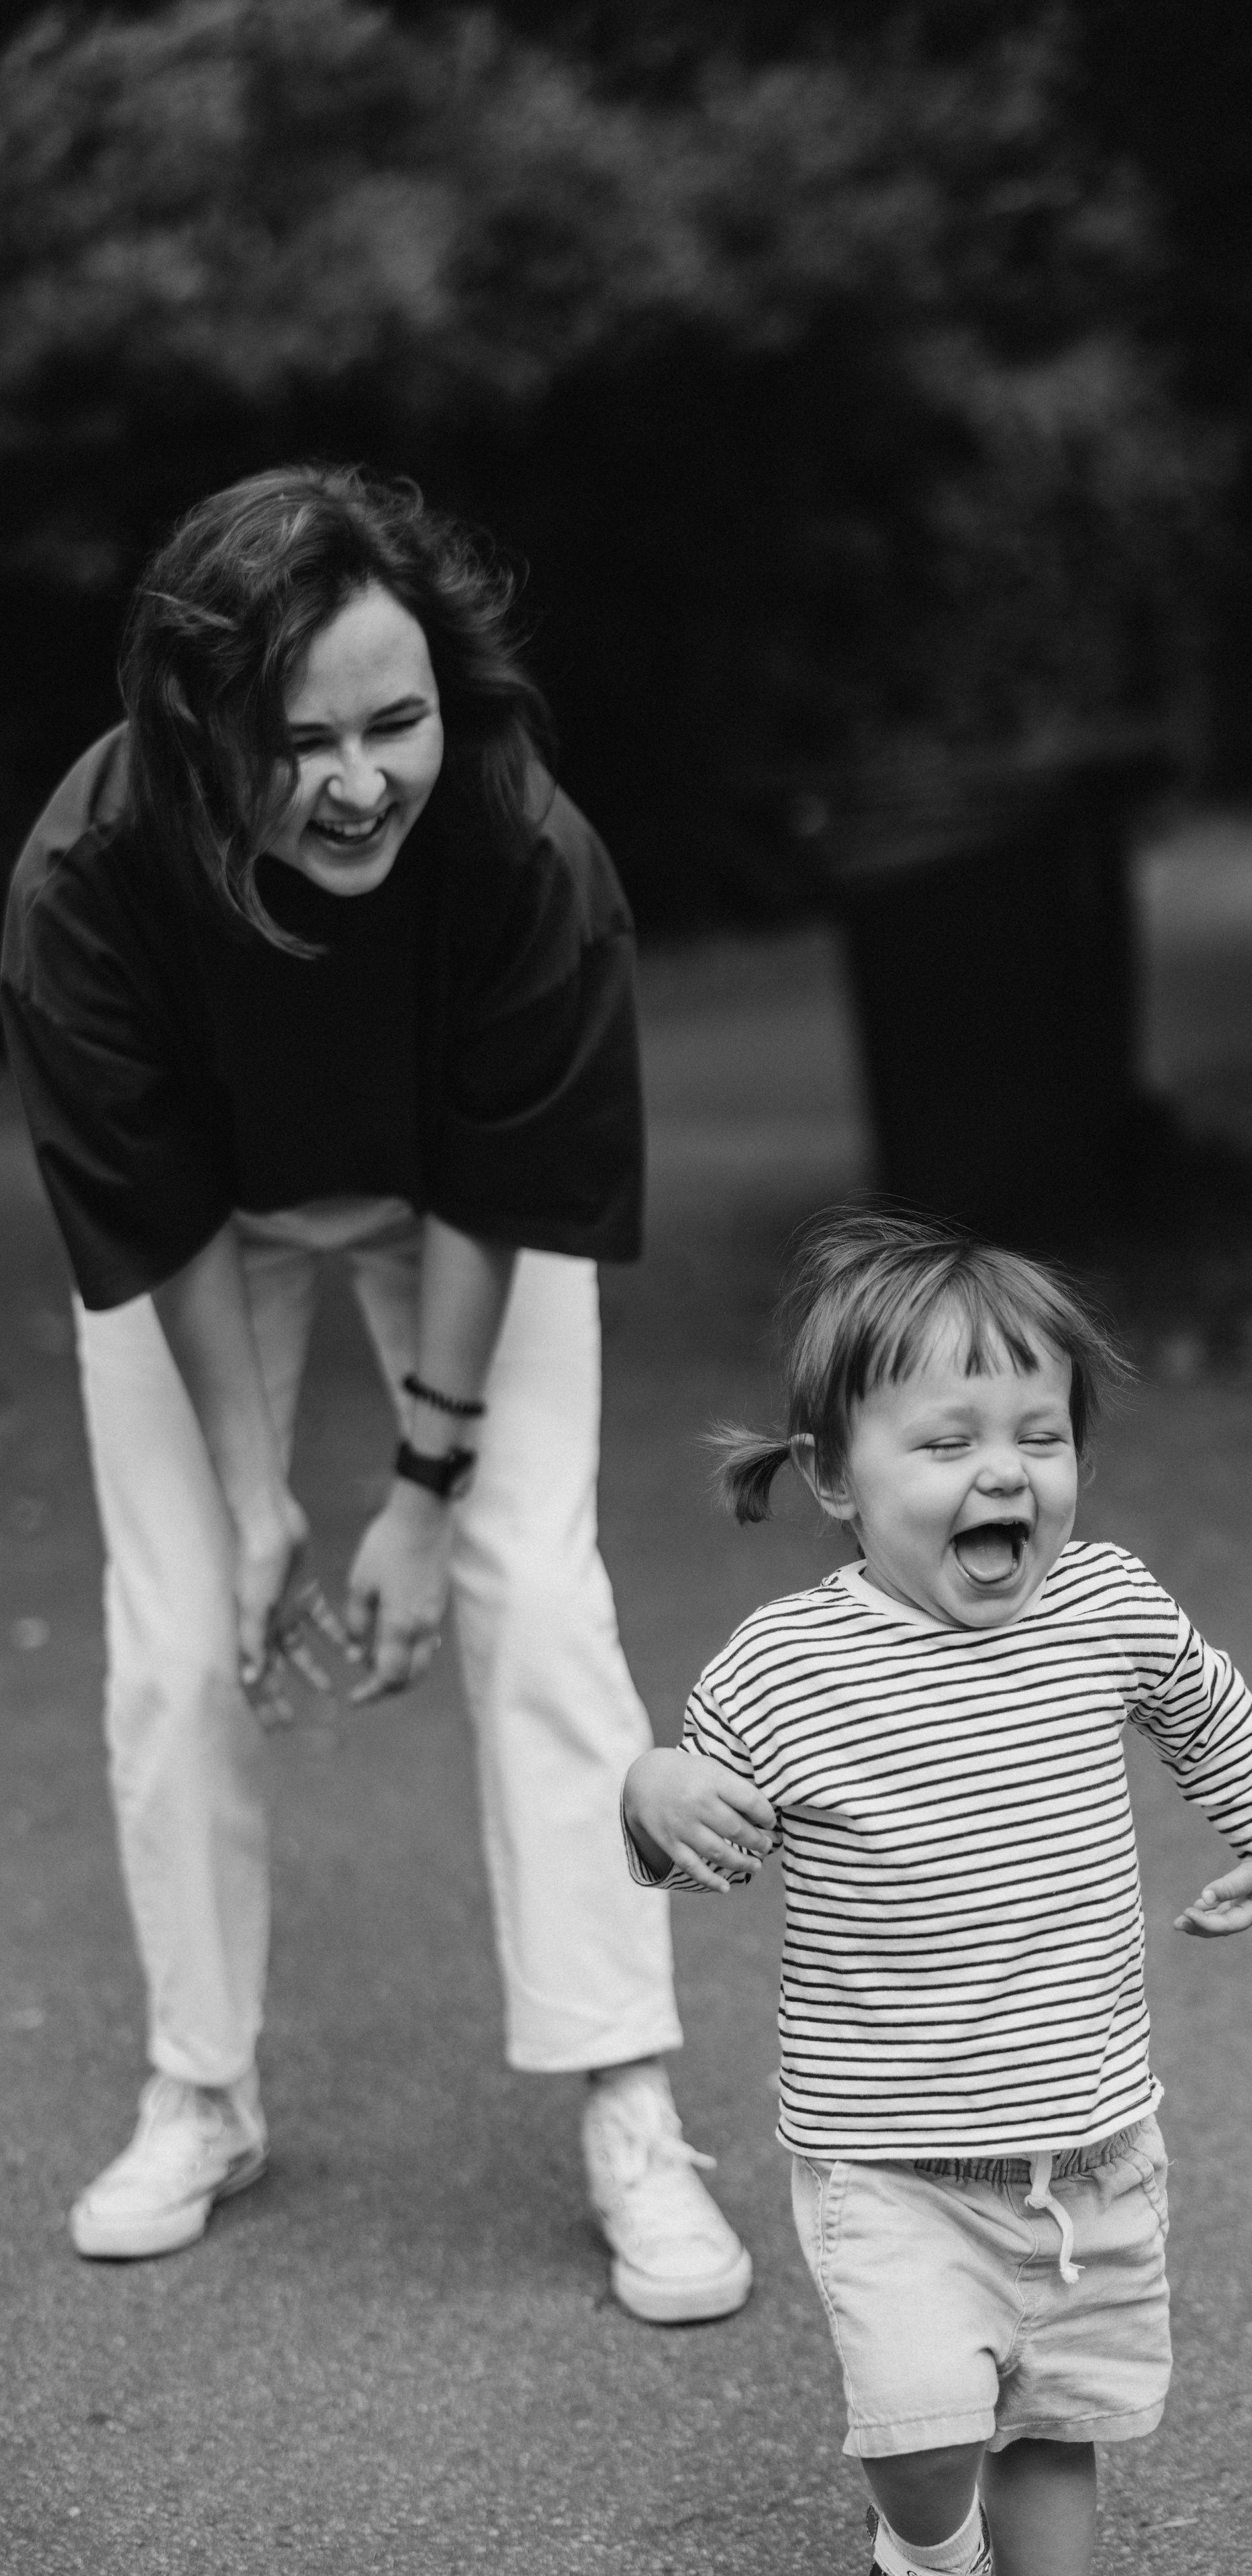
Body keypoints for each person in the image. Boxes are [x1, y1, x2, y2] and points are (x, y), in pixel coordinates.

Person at [0, 464, 751, 2323]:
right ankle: (202, 2085)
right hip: (214, 1223)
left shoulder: (524, 850)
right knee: (181, 1627)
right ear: (195, 730)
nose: (358, 783)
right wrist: (257, 1499)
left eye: (394, 722)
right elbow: (155, 1209)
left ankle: (629, 2100)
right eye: (298, 738)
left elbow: (508, 1188)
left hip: (449, 1200)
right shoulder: (85, 883)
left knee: (528, 1583)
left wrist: (420, 1496)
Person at [622, 1209, 1252, 2576]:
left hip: (1090, 2145)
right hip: (888, 2155)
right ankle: (924, 2545)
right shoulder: (785, 1665)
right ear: (833, 1473)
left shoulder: (1101, 1605)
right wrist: (652, 1795)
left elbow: (1196, 1694)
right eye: (945, 1441)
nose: (1001, 1471)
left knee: (1056, 2424)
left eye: (1037, 1435)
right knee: (924, 2428)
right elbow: (692, 1813)